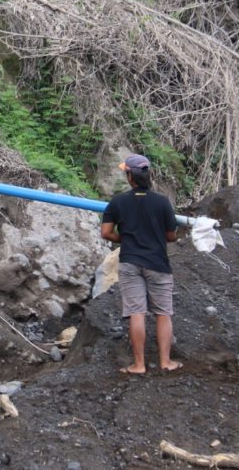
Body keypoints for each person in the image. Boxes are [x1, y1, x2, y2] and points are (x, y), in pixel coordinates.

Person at [100, 154, 181, 374]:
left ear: (130, 177)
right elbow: (171, 235)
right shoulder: (162, 202)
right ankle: (166, 361)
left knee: (137, 312)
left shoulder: (118, 202)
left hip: (130, 262)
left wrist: (124, 239)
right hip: (158, 263)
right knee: (163, 313)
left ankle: (139, 364)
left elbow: (106, 232)